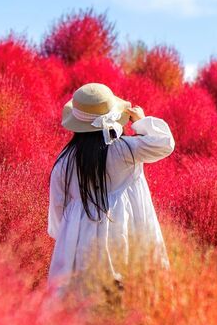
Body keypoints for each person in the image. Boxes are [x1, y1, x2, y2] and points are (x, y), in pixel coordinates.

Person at [47, 82, 175, 304]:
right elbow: (165, 143)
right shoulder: (125, 150)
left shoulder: (64, 163)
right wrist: (142, 121)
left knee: (83, 306)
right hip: (127, 230)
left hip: (80, 240)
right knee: (128, 298)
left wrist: (67, 238)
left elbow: (58, 214)